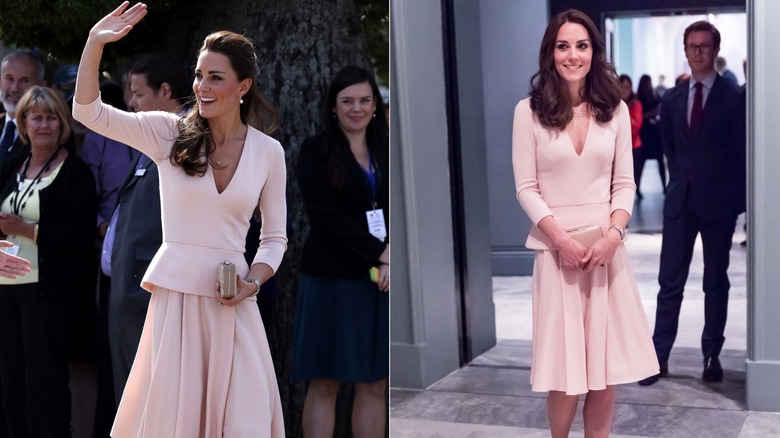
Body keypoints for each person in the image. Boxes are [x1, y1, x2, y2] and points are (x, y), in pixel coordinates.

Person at [73, 3, 287, 436]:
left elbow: (275, 238)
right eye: (198, 75)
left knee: (243, 421)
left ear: (243, 85)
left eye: (215, 77)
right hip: (176, 305)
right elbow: (88, 111)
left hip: (234, 304)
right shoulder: (167, 131)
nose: (201, 86)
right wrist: (94, 44)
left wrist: (254, 282)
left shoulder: (269, 152)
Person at [512, 10, 658, 437]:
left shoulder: (613, 111)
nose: (572, 55)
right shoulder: (529, 111)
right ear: (550, 53)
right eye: (563, 46)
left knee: (606, 369)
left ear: (594, 52)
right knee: (564, 370)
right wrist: (559, 239)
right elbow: (526, 186)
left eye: (581, 45)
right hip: (557, 256)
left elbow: (625, 183)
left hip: (605, 253)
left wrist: (615, 234)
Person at [639, 20, 745, 386]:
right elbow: (671, 148)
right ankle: (658, 357)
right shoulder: (671, 98)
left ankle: (711, 354)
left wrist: (738, 201)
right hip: (680, 203)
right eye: (691, 47)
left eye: (704, 46)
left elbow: (741, 151)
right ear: (685, 52)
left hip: (719, 204)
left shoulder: (734, 97)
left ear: (715, 51)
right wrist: (677, 184)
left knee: (716, 282)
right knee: (670, 283)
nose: (697, 52)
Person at [292, 65, 389, 438]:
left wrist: (388, 259)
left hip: (377, 281)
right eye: (347, 101)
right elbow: (324, 215)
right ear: (333, 107)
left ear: (375, 105)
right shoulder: (315, 150)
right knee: (325, 382)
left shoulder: (385, 146)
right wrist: (380, 253)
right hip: (330, 279)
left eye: (365, 100)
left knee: (374, 382)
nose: (357, 108)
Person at [0, 85, 98, 438]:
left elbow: (79, 235)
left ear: (62, 124)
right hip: (7, 292)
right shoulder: (13, 165)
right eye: (36, 117)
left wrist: (28, 229)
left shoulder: (77, 174)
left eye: (51, 118)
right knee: (11, 383)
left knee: (45, 386)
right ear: (24, 123)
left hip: (49, 296)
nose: (44, 125)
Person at [105, 51, 188, 406]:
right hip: (125, 289)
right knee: (133, 398)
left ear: (165, 91)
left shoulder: (187, 140)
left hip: (150, 290)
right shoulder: (149, 140)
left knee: (155, 398)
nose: (130, 102)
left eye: (137, 93)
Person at [0, 50, 46, 163]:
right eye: (9, 79)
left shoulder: (48, 133)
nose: (14, 88)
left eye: (24, 81)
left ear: (42, 86)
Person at [636, 74, 666, 195]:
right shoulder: (640, 98)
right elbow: (639, 117)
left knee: (659, 161)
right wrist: (651, 113)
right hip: (646, 133)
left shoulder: (653, 95)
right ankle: (637, 188)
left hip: (654, 133)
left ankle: (664, 187)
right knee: (642, 163)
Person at [619, 74, 643, 199]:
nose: (624, 90)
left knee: (635, 174)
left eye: (627, 87)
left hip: (635, 145)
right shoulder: (613, 105)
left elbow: (636, 126)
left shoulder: (636, 104)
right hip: (618, 148)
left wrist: (625, 109)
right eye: (621, 87)